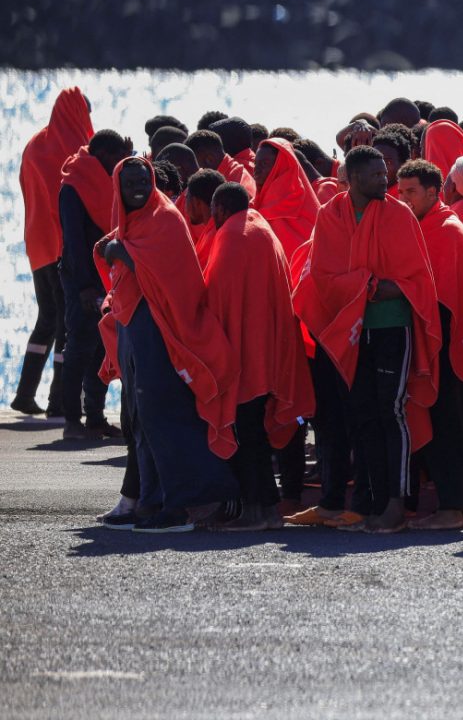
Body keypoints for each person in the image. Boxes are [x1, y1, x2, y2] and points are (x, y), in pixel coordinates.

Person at [292, 145, 442, 534]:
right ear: (353, 177)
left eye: (384, 173)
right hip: (351, 332)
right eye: (376, 174)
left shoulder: (398, 214)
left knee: (392, 413)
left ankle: (396, 504)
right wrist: (371, 284)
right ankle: (374, 504)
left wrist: (373, 285)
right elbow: (322, 276)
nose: (384, 179)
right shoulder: (331, 214)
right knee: (364, 416)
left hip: (393, 328)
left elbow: (416, 279)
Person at [99, 158, 239, 532]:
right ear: (118, 187)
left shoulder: (165, 219)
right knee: (138, 418)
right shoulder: (131, 222)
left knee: (164, 416)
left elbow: (178, 281)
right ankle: (151, 499)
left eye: (143, 180)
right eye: (129, 183)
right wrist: (115, 250)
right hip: (134, 325)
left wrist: (122, 253)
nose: (138, 188)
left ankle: (183, 505)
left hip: (160, 330)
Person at [203, 182, 315, 530]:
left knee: (246, 433)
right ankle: (264, 508)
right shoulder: (259, 227)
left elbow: (216, 298)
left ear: (219, 209)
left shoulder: (234, 236)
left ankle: (259, 510)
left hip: (245, 355)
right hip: (268, 351)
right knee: (254, 432)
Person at [394, 159, 463, 530]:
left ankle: (451, 508)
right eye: (400, 192)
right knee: (436, 425)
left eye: (411, 192)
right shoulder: (422, 226)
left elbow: (442, 303)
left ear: (434, 192)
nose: (403, 200)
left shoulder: (446, 230)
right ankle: (446, 505)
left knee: (448, 427)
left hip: (446, 350)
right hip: (431, 347)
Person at [13, 86, 92, 416]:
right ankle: (58, 399)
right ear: (76, 112)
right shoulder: (75, 147)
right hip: (63, 245)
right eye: (86, 111)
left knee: (46, 318)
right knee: (68, 323)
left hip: (37, 243)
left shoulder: (34, 144)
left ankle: (23, 393)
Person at [59, 130, 130, 439]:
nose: (117, 165)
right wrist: (85, 285)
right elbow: (73, 239)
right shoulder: (74, 184)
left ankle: (96, 419)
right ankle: (72, 420)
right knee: (79, 346)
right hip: (81, 276)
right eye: (114, 159)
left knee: (103, 347)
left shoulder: (104, 179)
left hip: (106, 274)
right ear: (101, 154)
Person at [253, 138, 320, 264]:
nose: (256, 170)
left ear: (282, 164)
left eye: (264, 164)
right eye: (255, 163)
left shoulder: (300, 204)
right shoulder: (255, 203)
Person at [181, 169, 224, 268]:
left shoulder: (214, 235)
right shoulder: (219, 225)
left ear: (197, 202)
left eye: (186, 197)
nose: (184, 206)